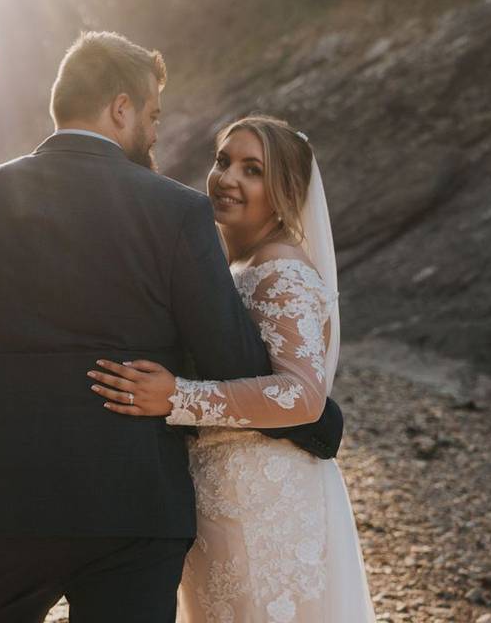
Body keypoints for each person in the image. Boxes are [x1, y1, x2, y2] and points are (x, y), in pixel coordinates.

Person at [0, 32, 341, 622]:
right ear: (121, 108)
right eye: (152, 115)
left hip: (1, 502)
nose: (155, 133)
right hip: (135, 508)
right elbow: (235, 362)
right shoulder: (176, 210)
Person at [89, 116, 377, 621]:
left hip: (266, 500)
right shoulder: (241, 265)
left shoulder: (281, 270)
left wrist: (177, 397)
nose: (227, 178)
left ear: (284, 189)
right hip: (225, 492)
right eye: (223, 161)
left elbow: (303, 395)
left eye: (252, 170)